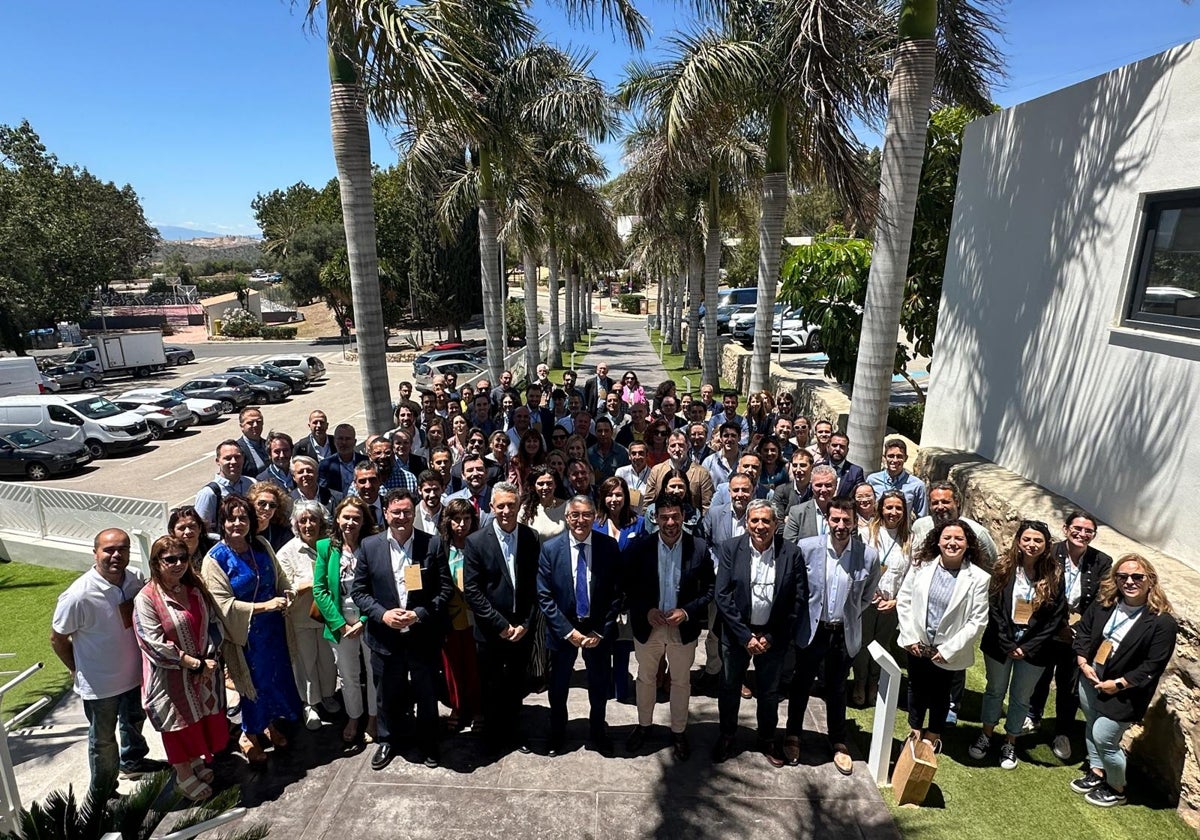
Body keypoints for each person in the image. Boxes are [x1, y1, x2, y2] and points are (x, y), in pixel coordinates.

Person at [51, 528, 160, 800]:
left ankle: (133, 762)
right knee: (103, 742)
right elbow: (58, 638)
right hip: (100, 685)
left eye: (122, 549)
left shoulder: (134, 579)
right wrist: (76, 668)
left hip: (135, 674)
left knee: (134, 721)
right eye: (108, 550)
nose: (115, 555)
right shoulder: (78, 595)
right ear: (95, 553)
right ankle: (103, 794)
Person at [352, 489, 452, 769]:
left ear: (414, 513)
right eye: (395, 512)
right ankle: (387, 740)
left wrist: (419, 614)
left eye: (407, 512)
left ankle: (428, 741)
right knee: (387, 694)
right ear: (385, 513)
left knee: (426, 693)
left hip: (422, 637)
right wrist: (383, 615)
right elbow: (359, 592)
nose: (401, 517)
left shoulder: (431, 544)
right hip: (385, 638)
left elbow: (445, 590)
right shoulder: (369, 546)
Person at [201, 494, 302, 764]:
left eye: (243, 518)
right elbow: (222, 605)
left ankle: (269, 725)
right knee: (252, 685)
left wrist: (286, 593)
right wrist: (265, 606)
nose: (237, 523)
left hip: (274, 630)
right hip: (245, 634)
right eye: (231, 519)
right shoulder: (216, 559)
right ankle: (250, 734)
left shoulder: (260, 544)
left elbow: (279, 576)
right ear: (222, 523)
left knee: (274, 679)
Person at [1071, 555, 1178, 807]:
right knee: (1091, 725)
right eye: (1123, 576)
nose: (1129, 581)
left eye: (1137, 577)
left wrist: (1119, 683)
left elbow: (1152, 665)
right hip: (1091, 676)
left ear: (1150, 580)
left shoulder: (1162, 622)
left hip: (1126, 690)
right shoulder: (1105, 604)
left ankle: (1116, 788)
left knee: (1105, 737)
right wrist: (1083, 662)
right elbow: (1084, 631)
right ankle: (1097, 772)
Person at [789, 497, 881, 774]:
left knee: (837, 688)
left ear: (854, 523)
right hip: (813, 630)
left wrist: (849, 614)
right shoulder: (806, 549)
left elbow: (867, 595)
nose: (841, 525)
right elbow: (798, 589)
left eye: (846, 520)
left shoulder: (868, 556)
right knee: (801, 684)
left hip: (843, 632)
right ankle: (793, 735)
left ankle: (838, 741)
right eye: (836, 519)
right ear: (827, 520)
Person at [132, 536, 226, 801]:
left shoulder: (194, 588)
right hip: (169, 678)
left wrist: (209, 658)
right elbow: (152, 643)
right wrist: (194, 664)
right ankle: (183, 774)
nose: (178, 564)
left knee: (198, 720)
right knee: (177, 727)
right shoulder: (147, 599)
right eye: (170, 559)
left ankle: (196, 761)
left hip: (203, 670)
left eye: (183, 558)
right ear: (156, 563)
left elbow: (212, 624)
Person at [712, 501, 804, 765]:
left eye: (766, 521)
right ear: (747, 523)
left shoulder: (791, 553)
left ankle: (766, 739)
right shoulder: (731, 548)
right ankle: (727, 736)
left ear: (776, 524)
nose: (760, 526)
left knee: (769, 691)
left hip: (772, 636)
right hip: (736, 635)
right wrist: (745, 637)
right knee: (729, 687)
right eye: (754, 521)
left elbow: (797, 600)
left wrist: (771, 637)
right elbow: (723, 595)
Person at [624, 494, 714, 761]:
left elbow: (710, 589)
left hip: (680, 627)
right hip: (649, 626)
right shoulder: (641, 548)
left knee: (680, 681)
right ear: (656, 518)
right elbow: (629, 587)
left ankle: (678, 731)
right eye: (664, 517)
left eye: (675, 516)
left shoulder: (698, 547)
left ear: (683, 517)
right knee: (646, 679)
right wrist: (646, 610)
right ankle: (643, 726)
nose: (670, 522)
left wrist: (686, 612)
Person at [970, 520, 1065, 770]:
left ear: (1046, 545)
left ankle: (1010, 741)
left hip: (1035, 647)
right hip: (1001, 640)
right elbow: (994, 606)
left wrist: (1028, 646)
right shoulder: (1003, 567)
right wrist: (1007, 641)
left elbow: (1055, 618)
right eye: (1027, 539)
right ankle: (987, 735)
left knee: (1021, 698)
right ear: (1019, 542)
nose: (1032, 545)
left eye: (1038, 541)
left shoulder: (1055, 574)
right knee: (994, 691)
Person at [537, 496, 624, 756]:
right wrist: (568, 631)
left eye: (586, 514)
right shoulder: (551, 549)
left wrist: (600, 630)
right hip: (563, 630)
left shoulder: (608, 547)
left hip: (597, 629)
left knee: (599, 686)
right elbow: (544, 595)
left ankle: (598, 731)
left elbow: (617, 593)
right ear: (566, 517)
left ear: (595, 516)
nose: (580, 520)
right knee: (558, 687)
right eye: (575, 515)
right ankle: (557, 733)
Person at [895, 519, 991, 749]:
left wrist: (948, 650)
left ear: (968, 544)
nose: (952, 543)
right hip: (917, 643)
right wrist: (909, 637)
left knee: (941, 693)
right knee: (915, 688)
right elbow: (904, 600)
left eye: (959, 538)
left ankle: (933, 734)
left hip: (947, 650)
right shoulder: (921, 566)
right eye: (947, 537)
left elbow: (977, 620)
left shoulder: (978, 578)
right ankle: (915, 729)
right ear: (938, 540)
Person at [1028, 511, 1113, 759]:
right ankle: (1033, 716)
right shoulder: (1050, 553)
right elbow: (1038, 589)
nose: (1082, 534)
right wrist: (1058, 624)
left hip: (1079, 635)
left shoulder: (1102, 561)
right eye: (1077, 528)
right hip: (1047, 628)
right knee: (1040, 675)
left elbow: (1101, 601)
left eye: (1088, 531)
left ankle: (1062, 731)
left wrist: (1078, 630)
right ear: (1066, 529)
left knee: (1069, 684)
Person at [463, 482, 541, 754]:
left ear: (519, 506)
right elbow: (472, 590)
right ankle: (493, 736)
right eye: (501, 506)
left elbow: (534, 587)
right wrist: (500, 625)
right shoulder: (475, 541)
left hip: (521, 629)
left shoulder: (531, 537)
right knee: (491, 684)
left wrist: (525, 624)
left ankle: (514, 731)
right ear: (491, 507)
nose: (506, 510)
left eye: (511, 505)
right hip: (490, 631)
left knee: (517, 684)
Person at [313, 495, 378, 744]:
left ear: (364, 521)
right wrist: (340, 623)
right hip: (339, 621)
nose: (350, 522)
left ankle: (373, 717)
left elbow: (378, 586)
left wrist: (363, 619)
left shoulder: (372, 545)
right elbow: (319, 589)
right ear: (338, 518)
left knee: (373, 672)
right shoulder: (325, 547)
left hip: (368, 618)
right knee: (348, 674)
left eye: (356, 518)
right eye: (346, 517)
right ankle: (354, 716)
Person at [275, 499, 339, 731]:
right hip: (301, 618)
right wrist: (308, 585)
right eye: (303, 521)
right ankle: (310, 703)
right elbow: (283, 587)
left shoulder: (330, 545)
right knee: (306, 662)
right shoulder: (287, 552)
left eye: (313, 519)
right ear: (296, 525)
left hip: (327, 616)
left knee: (328, 661)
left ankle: (329, 696)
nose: (309, 524)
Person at [851, 490, 912, 706]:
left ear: (904, 512)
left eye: (898, 508)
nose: (893, 512)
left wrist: (896, 601)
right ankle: (859, 682)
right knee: (863, 644)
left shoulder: (909, 540)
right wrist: (869, 593)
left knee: (882, 645)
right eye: (889, 507)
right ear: (881, 509)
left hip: (891, 604)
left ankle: (873, 684)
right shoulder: (866, 533)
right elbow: (858, 565)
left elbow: (910, 576)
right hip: (866, 601)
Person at [436, 499, 482, 732]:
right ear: (448, 521)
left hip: (476, 616)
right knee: (452, 664)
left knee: (475, 664)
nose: (461, 525)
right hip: (450, 616)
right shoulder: (440, 546)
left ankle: (476, 707)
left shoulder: (480, 544)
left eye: (466, 519)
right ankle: (456, 706)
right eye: (456, 519)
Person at [644, 430, 716, 514]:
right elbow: (648, 503)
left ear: (688, 446)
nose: (677, 449)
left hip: (692, 523)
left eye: (681, 445)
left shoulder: (702, 473)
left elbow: (707, 506)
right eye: (673, 446)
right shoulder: (656, 471)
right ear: (667, 448)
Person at [195, 440, 254, 530]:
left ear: (243, 459)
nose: (233, 462)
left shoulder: (251, 484)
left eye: (237, 457)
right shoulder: (208, 494)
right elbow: (201, 530)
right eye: (228, 458)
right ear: (218, 461)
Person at [866, 438, 928, 518]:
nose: (895, 460)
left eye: (899, 456)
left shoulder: (917, 485)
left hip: (902, 530)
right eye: (891, 456)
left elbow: (922, 517)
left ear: (905, 458)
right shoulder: (872, 480)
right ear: (884, 458)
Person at [782, 464, 838, 542]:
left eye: (828, 485)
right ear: (811, 486)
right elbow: (789, 545)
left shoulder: (846, 513)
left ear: (836, 486)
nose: (823, 490)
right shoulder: (797, 513)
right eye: (819, 485)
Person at [518, 464, 567, 541]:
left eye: (549, 483)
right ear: (534, 486)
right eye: (540, 484)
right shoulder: (526, 508)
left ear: (555, 484)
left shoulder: (567, 507)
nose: (545, 487)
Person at [290, 454, 342, 522]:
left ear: (317, 473)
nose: (305, 474)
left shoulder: (337, 498)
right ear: (294, 477)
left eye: (309, 471)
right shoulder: (288, 501)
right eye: (300, 472)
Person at [318, 424, 367, 494]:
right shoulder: (325, 465)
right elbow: (322, 490)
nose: (344, 442)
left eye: (348, 439)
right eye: (340, 438)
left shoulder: (365, 461)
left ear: (355, 442)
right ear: (334, 441)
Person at [769, 449, 814, 523]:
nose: (798, 470)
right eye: (795, 465)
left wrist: (791, 521)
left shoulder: (816, 490)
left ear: (812, 467)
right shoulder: (781, 490)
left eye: (803, 465)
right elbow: (777, 525)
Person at [249, 480, 294, 552]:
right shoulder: (244, 528)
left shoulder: (282, 534)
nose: (267, 508)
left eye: (272, 505)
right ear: (252, 503)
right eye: (262, 503)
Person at [169, 505, 214, 571]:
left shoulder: (213, 549)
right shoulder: (168, 555)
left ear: (200, 528)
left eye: (192, 526)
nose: (188, 531)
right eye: (182, 528)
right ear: (172, 532)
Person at [702, 421, 742, 490]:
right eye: (726, 436)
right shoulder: (709, 462)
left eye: (733, 436)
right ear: (720, 438)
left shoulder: (745, 461)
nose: (729, 439)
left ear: (739, 438)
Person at [826, 432, 865, 498]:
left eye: (842, 446)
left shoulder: (856, 472)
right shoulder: (818, 467)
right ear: (828, 447)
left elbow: (859, 497)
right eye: (834, 445)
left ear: (847, 450)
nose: (838, 449)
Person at [616, 440, 652, 509]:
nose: (637, 457)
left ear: (647, 455)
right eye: (634, 453)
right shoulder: (621, 472)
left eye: (641, 453)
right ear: (629, 456)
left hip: (643, 515)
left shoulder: (652, 474)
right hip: (625, 513)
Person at [236, 407, 270, 475]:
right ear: (241, 426)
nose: (255, 425)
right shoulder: (237, 450)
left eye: (259, 422)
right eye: (250, 423)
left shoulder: (269, 444)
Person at [414, 469, 446, 535]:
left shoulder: (450, 516)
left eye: (435, 489)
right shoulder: (411, 515)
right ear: (419, 490)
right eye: (427, 490)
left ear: (443, 489)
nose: (432, 495)